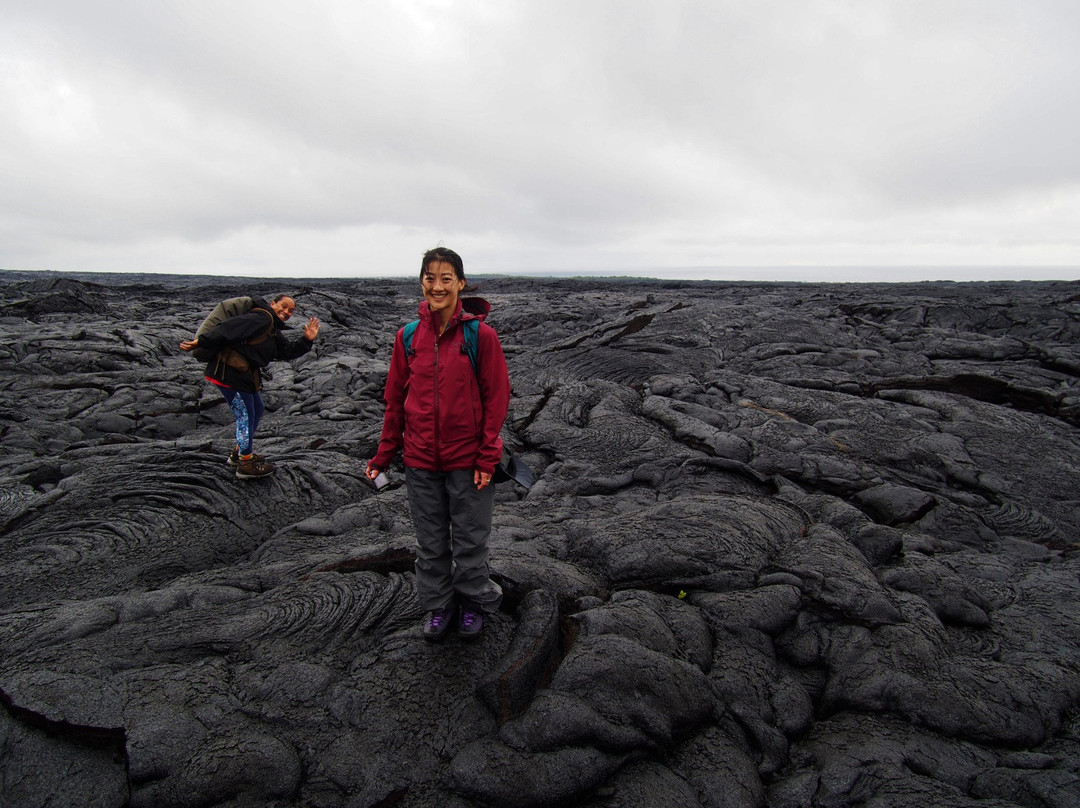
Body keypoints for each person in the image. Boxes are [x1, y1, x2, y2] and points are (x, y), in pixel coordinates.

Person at [367, 248, 511, 641]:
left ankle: (472, 604)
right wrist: (383, 454)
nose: (438, 285)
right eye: (430, 277)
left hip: (468, 460)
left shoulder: (480, 335)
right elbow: (395, 400)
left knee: (469, 538)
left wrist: (487, 456)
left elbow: (496, 398)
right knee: (430, 543)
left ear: (461, 284)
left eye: (447, 278)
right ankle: (438, 607)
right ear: (422, 283)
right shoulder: (409, 336)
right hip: (419, 459)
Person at [180, 294, 320, 479]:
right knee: (244, 415)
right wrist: (202, 341)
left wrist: (307, 340)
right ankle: (245, 463)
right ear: (272, 304)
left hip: (244, 376)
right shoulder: (262, 318)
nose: (286, 312)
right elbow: (230, 328)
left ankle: (239, 453)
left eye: (290, 311)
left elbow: (286, 351)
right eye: (283, 306)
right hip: (228, 374)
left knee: (257, 408)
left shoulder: (271, 328)